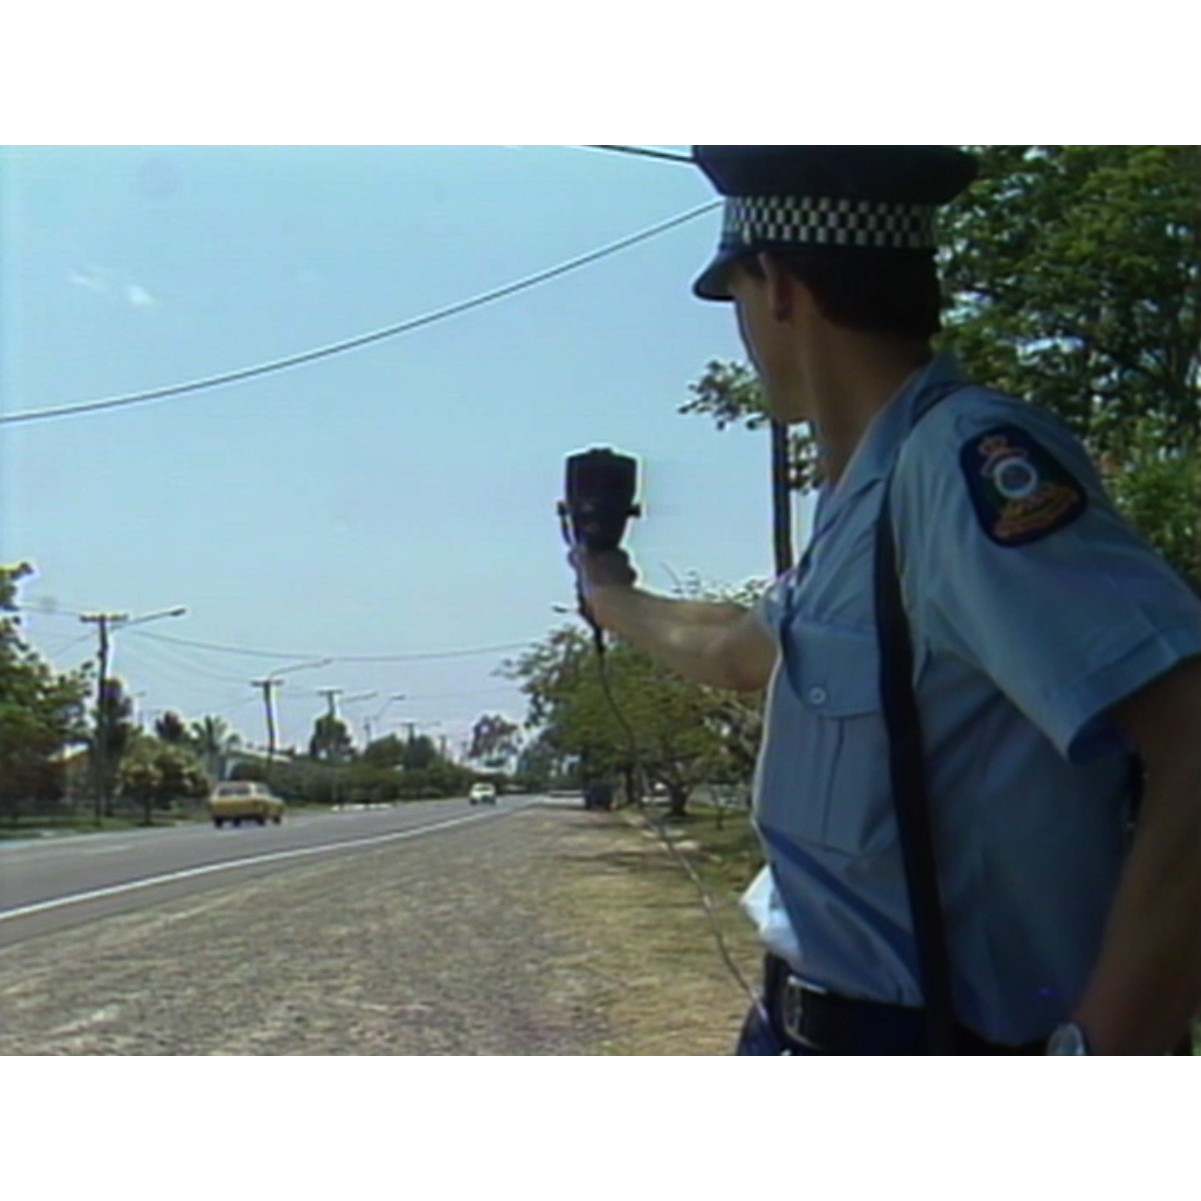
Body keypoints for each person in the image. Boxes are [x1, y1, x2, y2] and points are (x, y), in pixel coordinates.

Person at [572, 145, 1201, 1055]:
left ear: (779, 285)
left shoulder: (959, 465)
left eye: (737, 298)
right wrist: (608, 588)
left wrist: (1106, 1051)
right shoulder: (869, 494)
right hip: (805, 1030)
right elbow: (738, 650)